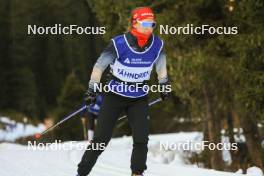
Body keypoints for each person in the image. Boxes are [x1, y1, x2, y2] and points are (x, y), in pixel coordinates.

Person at [77, 7, 171, 176]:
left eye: (152, 24)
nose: (149, 28)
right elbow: (99, 67)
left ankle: (137, 173)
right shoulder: (118, 44)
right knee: (100, 140)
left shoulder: (158, 45)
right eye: (145, 24)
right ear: (134, 23)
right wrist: (91, 90)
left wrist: (164, 85)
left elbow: (161, 67)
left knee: (141, 139)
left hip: (139, 97)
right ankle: (81, 173)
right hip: (115, 96)